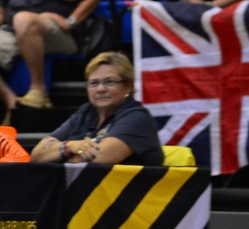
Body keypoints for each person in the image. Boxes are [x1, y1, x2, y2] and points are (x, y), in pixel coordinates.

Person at [30, 51, 163, 165]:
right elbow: (37, 155)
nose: (100, 89)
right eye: (94, 83)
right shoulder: (85, 112)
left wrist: (55, 154)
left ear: (128, 86)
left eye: (109, 82)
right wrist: (69, 147)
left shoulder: (138, 118)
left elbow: (98, 158)